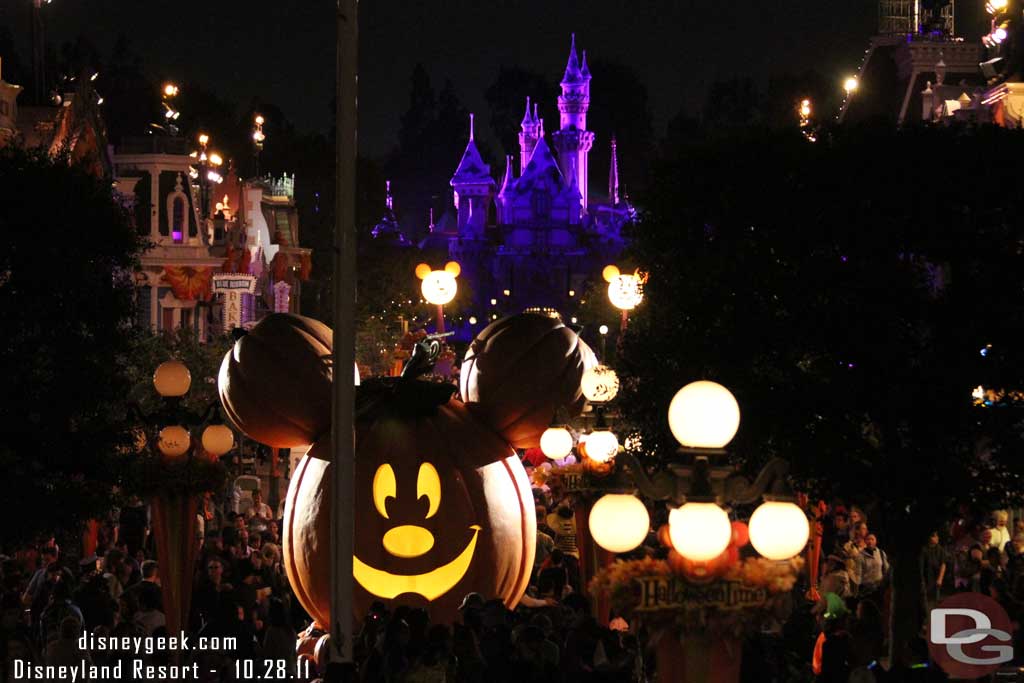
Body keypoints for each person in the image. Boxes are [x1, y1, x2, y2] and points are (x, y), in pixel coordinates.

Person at [855, 534, 889, 601]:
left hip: (879, 588)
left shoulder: (881, 553)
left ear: (876, 541)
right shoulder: (860, 556)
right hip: (866, 589)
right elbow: (858, 573)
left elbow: (886, 569)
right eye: (868, 539)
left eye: (872, 539)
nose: (870, 541)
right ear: (865, 541)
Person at [919, 530, 947, 609]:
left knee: (935, 603)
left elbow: (943, 564)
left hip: (936, 580)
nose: (937, 538)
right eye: (934, 536)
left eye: (937, 536)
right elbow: (921, 567)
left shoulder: (940, 549)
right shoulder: (924, 550)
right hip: (926, 580)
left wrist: (940, 579)